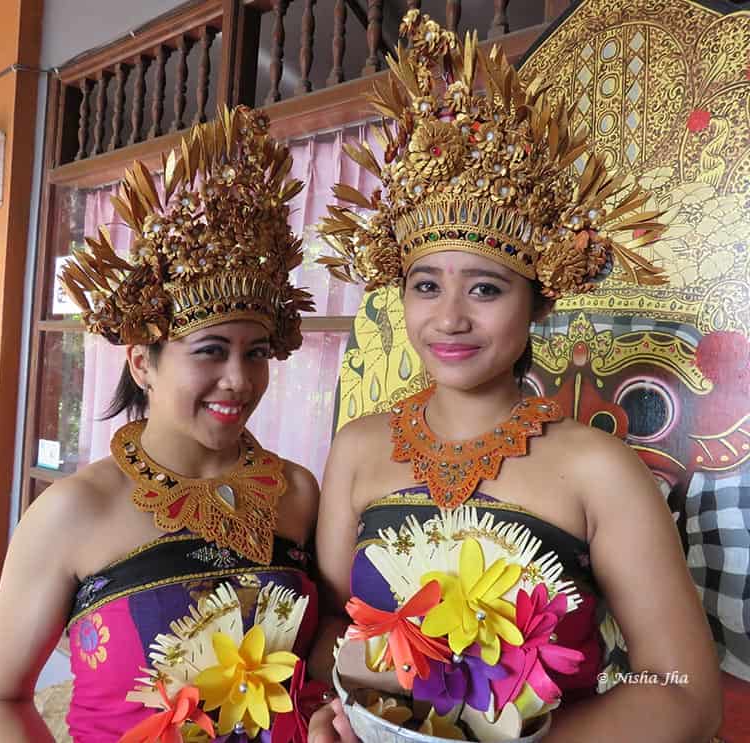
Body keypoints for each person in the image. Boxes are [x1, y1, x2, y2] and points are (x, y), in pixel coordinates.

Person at [309, 11, 721, 743]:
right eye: (426, 285)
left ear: (539, 299)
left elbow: (682, 690)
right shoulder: (358, 449)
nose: (450, 319)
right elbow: (334, 626)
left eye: (487, 289)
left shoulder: (596, 468)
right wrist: (339, 715)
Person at [0, 105, 321, 742]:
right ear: (144, 362)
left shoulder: (296, 493)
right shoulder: (74, 511)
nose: (238, 380)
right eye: (210, 350)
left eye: (257, 352)